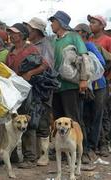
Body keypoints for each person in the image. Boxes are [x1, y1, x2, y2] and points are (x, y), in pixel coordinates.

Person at [5, 23, 49, 168]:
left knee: (27, 121)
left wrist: (30, 73)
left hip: (28, 90)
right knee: (13, 120)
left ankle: (30, 157)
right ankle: (13, 156)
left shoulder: (31, 49)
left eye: (14, 33)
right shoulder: (11, 51)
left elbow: (44, 65)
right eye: (10, 32)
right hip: (14, 90)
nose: (11, 35)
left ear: (22, 35)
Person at [48, 11, 90, 163]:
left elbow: (84, 57)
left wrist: (84, 79)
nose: (51, 24)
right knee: (59, 120)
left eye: (53, 21)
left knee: (74, 120)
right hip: (56, 86)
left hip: (70, 85)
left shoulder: (74, 37)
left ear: (60, 22)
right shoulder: (53, 40)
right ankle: (63, 152)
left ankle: (82, 152)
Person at [24, 17, 54, 166]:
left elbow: (47, 65)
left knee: (42, 121)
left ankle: (44, 155)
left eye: (29, 28)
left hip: (43, 89)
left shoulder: (45, 45)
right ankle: (33, 155)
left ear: (36, 31)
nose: (27, 31)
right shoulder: (30, 45)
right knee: (32, 119)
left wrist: (31, 73)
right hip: (33, 89)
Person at [74, 23, 107, 161]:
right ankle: (87, 146)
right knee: (85, 116)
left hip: (98, 86)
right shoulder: (77, 47)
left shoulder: (89, 46)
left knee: (95, 117)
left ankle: (93, 146)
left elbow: (100, 63)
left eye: (76, 32)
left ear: (83, 33)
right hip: (85, 87)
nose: (74, 34)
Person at [88, 14, 111, 157]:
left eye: (94, 22)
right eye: (90, 22)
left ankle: (104, 143)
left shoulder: (107, 40)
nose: (91, 24)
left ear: (102, 25)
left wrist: (108, 80)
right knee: (91, 113)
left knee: (103, 113)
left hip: (104, 81)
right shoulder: (89, 40)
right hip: (91, 82)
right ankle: (93, 143)